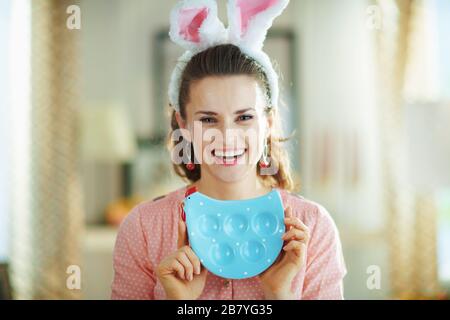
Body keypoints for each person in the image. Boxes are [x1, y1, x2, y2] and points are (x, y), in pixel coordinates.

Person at [111, 0, 346, 300]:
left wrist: (281, 296)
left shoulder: (313, 227)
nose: (227, 137)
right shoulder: (144, 228)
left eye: (244, 117)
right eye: (208, 119)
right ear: (183, 124)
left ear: (269, 122)